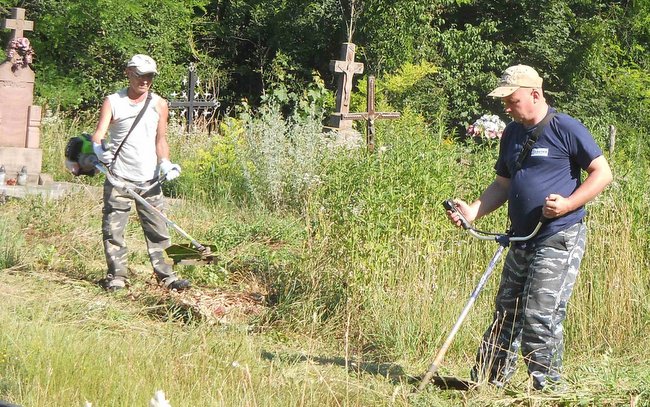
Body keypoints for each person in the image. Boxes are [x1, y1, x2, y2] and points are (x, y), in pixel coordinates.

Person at [446, 64, 612, 390]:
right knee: (505, 314)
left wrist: (568, 204)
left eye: (512, 100)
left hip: (558, 235)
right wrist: (474, 211)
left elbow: (602, 173)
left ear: (535, 94)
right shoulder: (511, 133)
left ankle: (548, 391)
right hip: (520, 238)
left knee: (539, 315)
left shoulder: (565, 127)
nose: (506, 107)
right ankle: (487, 387)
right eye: (505, 102)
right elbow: (502, 184)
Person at [91, 54, 190, 292]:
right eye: (140, 75)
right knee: (114, 230)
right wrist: (98, 149)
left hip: (150, 181)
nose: (144, 81)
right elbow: (98, 134)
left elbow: (161, 138)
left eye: (149, 76)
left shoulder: (159, 104)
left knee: (159, 231)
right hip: (119, 179)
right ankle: (117, 277)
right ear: (128, 73)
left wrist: (165, 162)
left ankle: (167, 276)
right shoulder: (114, 101)